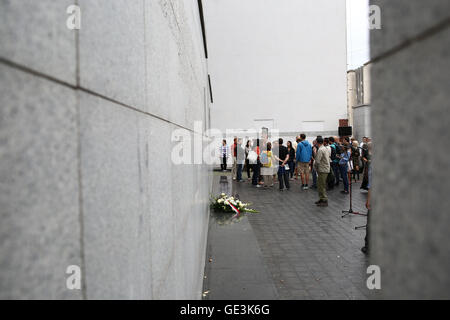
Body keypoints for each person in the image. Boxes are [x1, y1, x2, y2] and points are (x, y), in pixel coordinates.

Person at [314, 137, 331, 207]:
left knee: (321, 185)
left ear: (317, 142)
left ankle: (324, 199)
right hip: (325, 168)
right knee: (320, 184)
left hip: (322, 169)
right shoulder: (324, 148)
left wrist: (315, 168)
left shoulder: (320, 150)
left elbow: (317, 161)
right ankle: (321, 198)